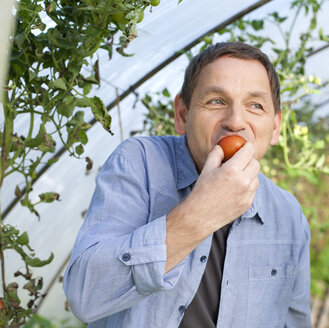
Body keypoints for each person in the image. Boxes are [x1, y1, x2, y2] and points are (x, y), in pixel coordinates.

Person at [63, 42, 312, 328]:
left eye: (255, 106)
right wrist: (199, 214)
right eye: (216, 101)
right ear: (182, 115)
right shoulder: (139, 164)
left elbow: (295, 320)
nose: (235, 122)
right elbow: (84, 297)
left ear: (276, 127)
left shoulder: (288, 214)